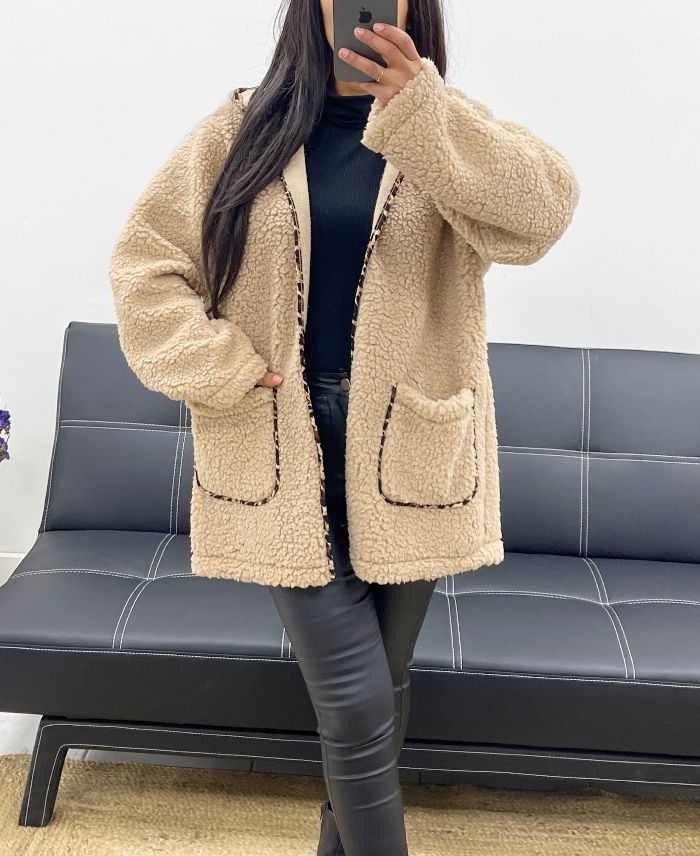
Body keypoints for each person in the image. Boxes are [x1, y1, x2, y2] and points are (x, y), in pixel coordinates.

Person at [108, 1, 580, 852]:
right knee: (358, 702)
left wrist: (425, 110)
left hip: (412, 448)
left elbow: (543, 212)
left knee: (379, 694)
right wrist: (222, 365)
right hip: (279, 437)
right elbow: (145, 265)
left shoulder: (444, 132)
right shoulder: (238, 132)